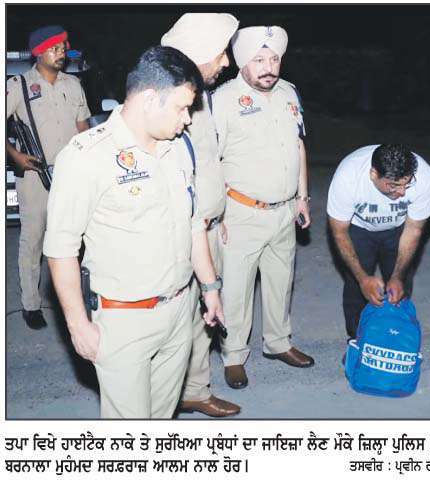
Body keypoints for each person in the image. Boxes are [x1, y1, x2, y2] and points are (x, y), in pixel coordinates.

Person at [43, 46, 224, 419]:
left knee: (162, 417)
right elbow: (61, 250)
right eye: (182, 108)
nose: (187, 119)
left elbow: (193, 223)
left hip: (179, 311)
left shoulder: (178, 148)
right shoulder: (86, 156)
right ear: (149, 100)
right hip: (124, 322)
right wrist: (78, 325)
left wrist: (209, 288)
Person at [212, 26, 315, 390]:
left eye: (274, 59)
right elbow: (209, 162)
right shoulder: (222, 100)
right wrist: (216, 216)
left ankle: (278, 343)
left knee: (280, 281)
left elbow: (298, 145)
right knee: (235, 290)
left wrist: (302, 196)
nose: (268, 67)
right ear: (242, 62)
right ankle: (234, 355)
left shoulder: (289, 92)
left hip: (285, 211)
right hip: (241, 213)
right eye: (258, 60)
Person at [161, 13, 241, 416]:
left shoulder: (202, 96)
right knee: (172, 324)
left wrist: (218, 215)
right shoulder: (166, 100)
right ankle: (162, 401)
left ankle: (195, 390)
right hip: (180, 235)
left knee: (203, 317)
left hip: (207, 228)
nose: (227, 62)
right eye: (221, 52)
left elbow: (208, 163)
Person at [6, 25, 91, 330]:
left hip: (71, 176)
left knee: (75, 240)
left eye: (63, 47)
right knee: (33, 241)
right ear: (38, 53)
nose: (61, 53)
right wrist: (14, 156)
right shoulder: (19, 85)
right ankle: (31, 304)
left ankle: (76, 300)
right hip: (35, 176)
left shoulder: (74, 84)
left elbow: (84, 127)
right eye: (54, 49)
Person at [327, 144, 430, 339]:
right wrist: (363, 278)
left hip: (399, 229)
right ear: (373, 174)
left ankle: (395, 333)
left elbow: (414, 230)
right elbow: (339, 232)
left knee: (400, 285)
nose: (402, 192)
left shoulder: (424, 177)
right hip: (358, 228)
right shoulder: (348, 177)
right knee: (356, 286)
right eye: (393, 185)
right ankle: (357, 338)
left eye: (406, 184)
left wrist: (397, 275)